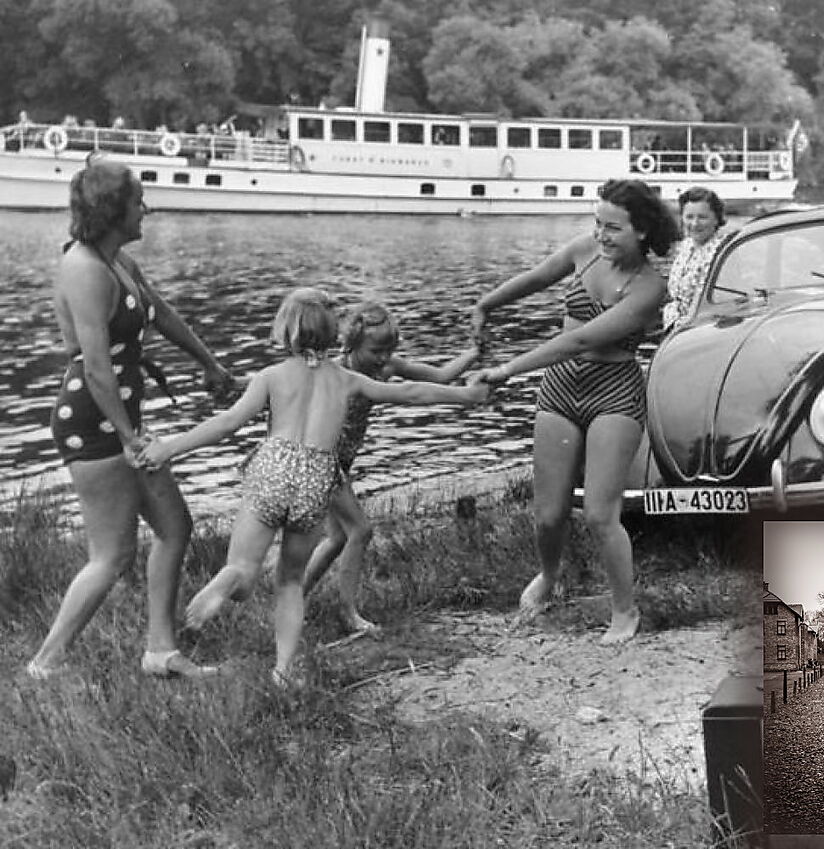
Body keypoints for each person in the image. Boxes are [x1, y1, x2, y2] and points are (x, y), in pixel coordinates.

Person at [138, 288, 488, 686]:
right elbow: (411, 392)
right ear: (332, 333)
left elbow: (227, 424)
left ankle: (227, 581)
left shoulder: (271, 376)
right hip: (320, 477)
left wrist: (169, 447)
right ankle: (284, 671)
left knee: (242, 568)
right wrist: (467, 396)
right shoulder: (348, 380)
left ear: (285, 331)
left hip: (274, 467)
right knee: (289, 581)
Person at [26, 158, 236, 681]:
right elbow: (96, 367)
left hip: (120, 419)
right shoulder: (84, 268)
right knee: (112, 554)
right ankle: (44, 665)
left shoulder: (116, 259)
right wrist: (127, 438)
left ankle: (160, 652)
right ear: (112, 209)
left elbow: (160, 312)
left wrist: (209, 362)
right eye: (139, 200)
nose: (147, 208)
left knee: (174, 527)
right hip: (94, 421)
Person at [470, 178, 679, 645]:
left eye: (614, 228)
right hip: (562, 388)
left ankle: (624, 610)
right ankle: (548, 577)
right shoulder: (586, 250)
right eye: (598, 224)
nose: (601, 236)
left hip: (614, 394)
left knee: (600, 515)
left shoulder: (649, 287)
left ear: (643, 231)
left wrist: (508, 369)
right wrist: (487, 304)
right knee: (548, 514)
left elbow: (582, 339)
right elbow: (537, 277)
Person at [301, 301, 480, 635]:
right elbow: (411, 394)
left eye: (389, 349)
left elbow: (439, 377)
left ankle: (293, 600)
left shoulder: (385, 369)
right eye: (376, 350)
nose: (384, 358)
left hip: (339, 463)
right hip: (319, 460)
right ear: (351, 343)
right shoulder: (335, 372)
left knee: (338, 537)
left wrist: (472, 354)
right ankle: (348, 613)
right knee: (360, 531)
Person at [662, 187, 727, 329]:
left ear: (716, 219)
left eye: (702, 217)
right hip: (674, 325)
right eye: (689, 217)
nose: (695, 224)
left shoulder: (721, 251)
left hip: (700, 329)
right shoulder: (686, 246)